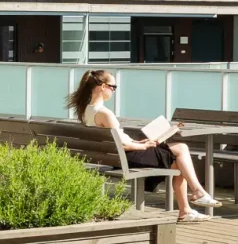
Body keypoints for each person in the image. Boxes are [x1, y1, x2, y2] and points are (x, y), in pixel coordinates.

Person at [66, 69, 218, 221]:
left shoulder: (87, 110)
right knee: (181, 149)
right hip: (125, 157)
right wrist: (145, 146)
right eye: (113, 87)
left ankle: (187, 208)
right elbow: (122, 145)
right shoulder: (105, 113)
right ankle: (196, 194)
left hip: (114, 157)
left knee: (179, 161)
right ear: (102, 86)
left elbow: (118, 141)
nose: (113, 90)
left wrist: (137, 142)